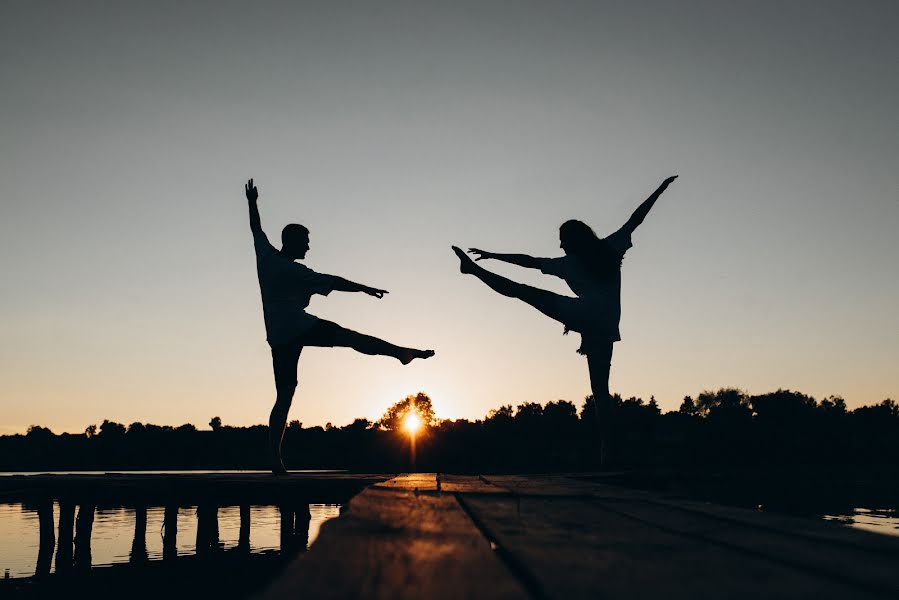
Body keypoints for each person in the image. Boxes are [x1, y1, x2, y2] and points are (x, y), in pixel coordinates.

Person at [452, 175, 678, 464]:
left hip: (580, 316)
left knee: (521, 291)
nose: (559, 246)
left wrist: (493, 256)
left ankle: (472, 270)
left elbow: (529, 261)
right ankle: (608, 451)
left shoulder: (568, 263)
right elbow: (637, 218)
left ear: (571, 241)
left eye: (561, 241)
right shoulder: (611, 248)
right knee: (600, 391)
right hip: (606, 327)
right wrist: (661, 188)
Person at [246, 178, 434, 474]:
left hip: (277, 334)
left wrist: (252, 202)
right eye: (305, 240)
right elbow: (335, 281)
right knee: (350, 338)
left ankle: (275, 459)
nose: (309, 245)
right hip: (297, 324)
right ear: (293, 241)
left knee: (285, 393)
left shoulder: (266, 256)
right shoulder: (297, 271)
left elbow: (256, 228)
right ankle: (400, 353)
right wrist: (364, 288)